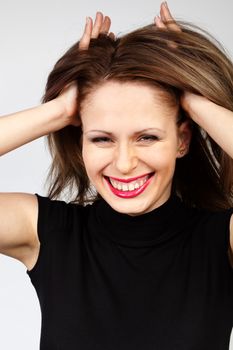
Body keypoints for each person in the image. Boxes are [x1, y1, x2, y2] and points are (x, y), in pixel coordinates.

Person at [0, 2, 233, 349]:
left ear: (182, 140)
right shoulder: (46, 233)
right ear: (81, 141)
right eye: (102, 138)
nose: (124, 163)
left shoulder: (219, 242)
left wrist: (192, 97)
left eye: (148, 137)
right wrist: (56, 112)